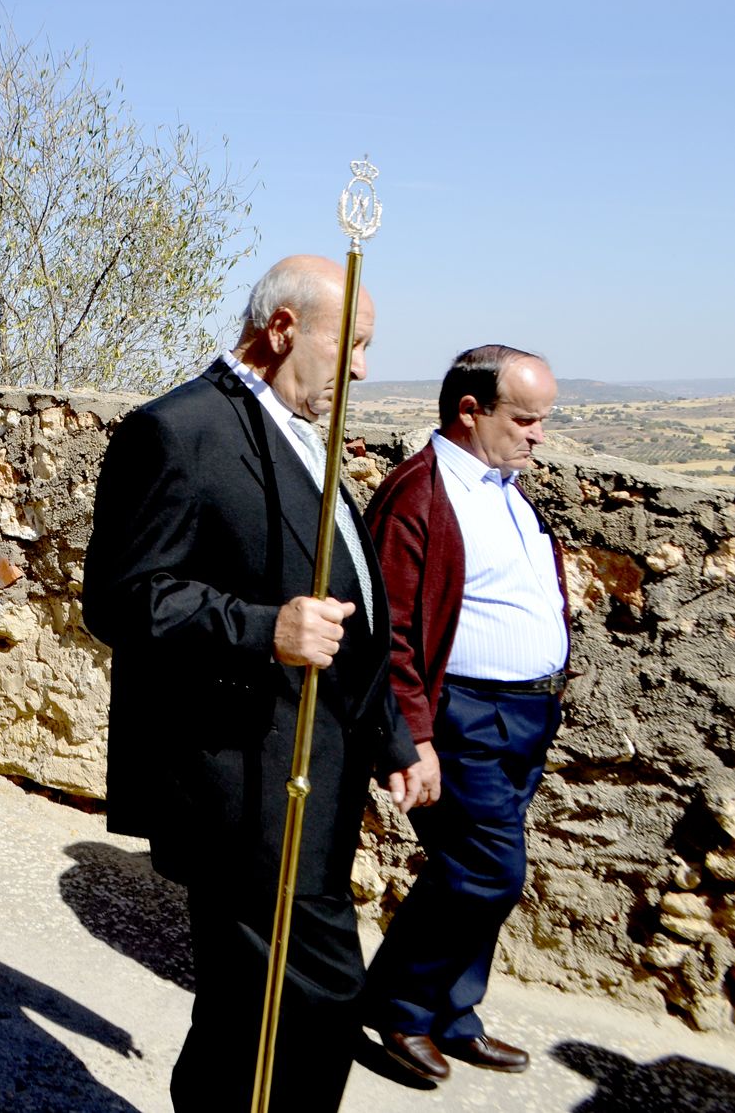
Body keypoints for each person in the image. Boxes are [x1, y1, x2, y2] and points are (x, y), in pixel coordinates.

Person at [84, 255, 435, 1112]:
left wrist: (393, 735)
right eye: (350, 344)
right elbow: (119, 597)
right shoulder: (177, 429)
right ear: (282, 329)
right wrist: (260, 628)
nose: (361, 368)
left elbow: (349, 596)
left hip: (315, 771)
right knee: (317, 995)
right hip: (239, 776)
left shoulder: (295, 425)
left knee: (249, 1003)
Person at [361, 346, 570, 1083]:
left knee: (472, 866)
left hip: (527, 712)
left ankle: (452, 1014)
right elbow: (389, 631)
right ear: (470, 410)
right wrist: (414, 737)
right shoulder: (418, 493)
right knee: (489, 868)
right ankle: (396, 1006)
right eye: (525, 419)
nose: (538, 434)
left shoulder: (504, 485)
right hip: (464, 716)